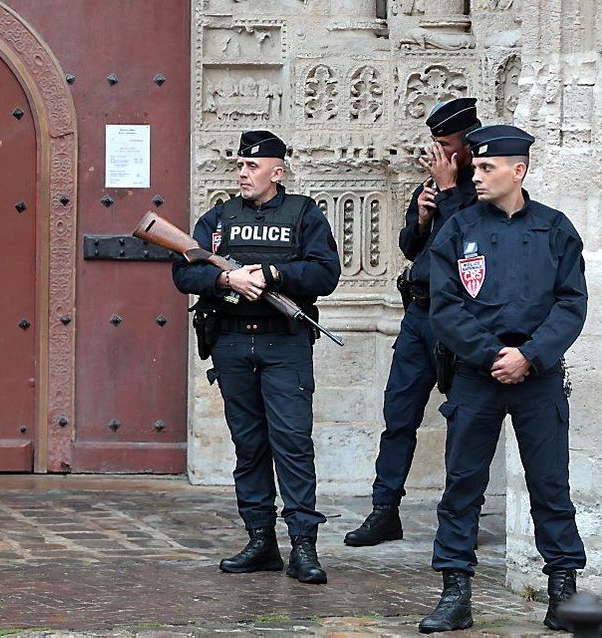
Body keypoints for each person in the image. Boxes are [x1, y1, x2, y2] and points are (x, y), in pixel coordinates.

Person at [419, 125, 587, 633]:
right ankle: (455, 594)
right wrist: (494, 354)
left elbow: (571, 304)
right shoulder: (458, 229)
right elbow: (444, 307)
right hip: (477, 375)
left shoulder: (556, 229)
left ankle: (563, 594)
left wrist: (530, 356)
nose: (477, 175)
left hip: (537, 378)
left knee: (551, 486)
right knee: (463, 486)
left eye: (488, 168)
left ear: (520, 170)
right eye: (477, 166)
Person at [172, 130, 340, 584]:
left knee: (292, 444)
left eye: (252, 167)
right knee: (249, 447)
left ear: (277, 171)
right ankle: (261, 540)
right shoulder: (220, 218)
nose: (242, 173)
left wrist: (272, 273)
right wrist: (226, 282)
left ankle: (303, 545)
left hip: (283, 343)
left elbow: (326, 273)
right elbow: (183, 271)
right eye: (239, 166)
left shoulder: (304, 214)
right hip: (230, 343)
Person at [345, 98, 482, 547]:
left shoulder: (481, 187)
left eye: (445, 146)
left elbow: (469, 244)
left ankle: (461, 519)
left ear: (466, 145)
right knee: (398, 413)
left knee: (464, 421)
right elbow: (411, 246)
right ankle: (385, 510)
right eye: (434, 145)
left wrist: (448, 194)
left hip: (459, 321)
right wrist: (423, 216)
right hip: (418, 316)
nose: (438, 155)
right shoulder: (433, 186)